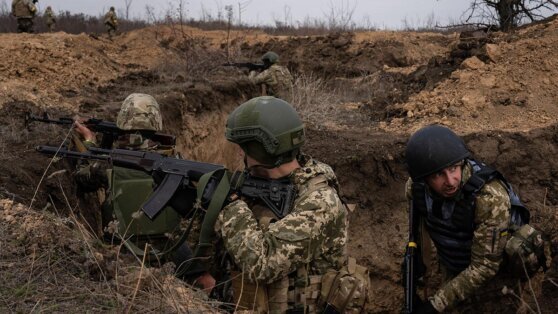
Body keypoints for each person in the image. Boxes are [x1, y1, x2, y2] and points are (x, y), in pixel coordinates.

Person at [203, 96, 367, 312]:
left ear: (261, 149)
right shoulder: (255, 185)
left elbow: (260, 264)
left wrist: (229, 204)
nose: (239, 153)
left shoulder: (320, 202)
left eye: (243, 147)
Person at [73, 93, 215, 292]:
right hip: (170, 247)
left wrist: (90, 142)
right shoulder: (173, 160)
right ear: (156, 122)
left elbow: (82, 176)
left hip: (125, 252)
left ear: (123, 121)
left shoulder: (107, 164)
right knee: (206, 283)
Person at [403, 124, 535, 313]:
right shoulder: (415, 188)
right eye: (439, 174)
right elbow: (418, 230)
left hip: (498, 272)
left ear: (462, 163)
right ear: (424, 179)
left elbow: (486, 266)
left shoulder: (489, 197)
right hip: (454, 263)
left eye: (454, 169)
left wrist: (435, 304)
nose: (450, 181)